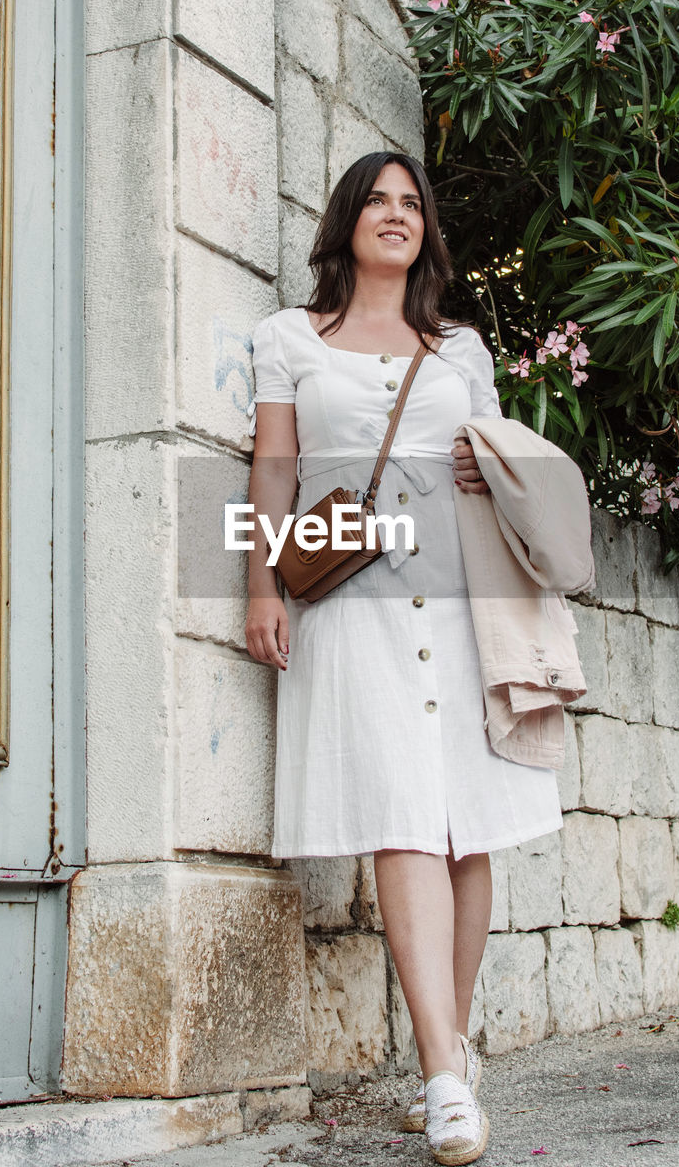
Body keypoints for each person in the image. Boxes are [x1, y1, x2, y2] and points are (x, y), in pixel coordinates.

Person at [244, 152, 564, 1167]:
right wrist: (259, 583)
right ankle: (440, 1075)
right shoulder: (289, 337)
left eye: (411, 203)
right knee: (398, 816)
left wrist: (487, 456)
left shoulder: (459, 345)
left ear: (426, 228)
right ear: (344, 221)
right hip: (356, 607)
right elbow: (275, 466)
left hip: (462, 605)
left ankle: (450, 1054)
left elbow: (500, 464)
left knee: (464, 827)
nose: (395, 214)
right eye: (376, 200)